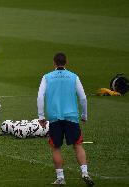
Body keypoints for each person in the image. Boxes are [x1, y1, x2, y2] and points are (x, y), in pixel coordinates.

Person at [37, 53, 94, 186]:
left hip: (55, 117)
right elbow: (83, 98)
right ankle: (85, 172)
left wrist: (41, 116)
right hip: (71, 116)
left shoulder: (47, 77)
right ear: (66, 62)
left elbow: (40, 97)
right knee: (78, 145)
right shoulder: (74, 77)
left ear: (54, 63)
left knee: (55, 147)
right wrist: (84, 115)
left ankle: (60, 177)